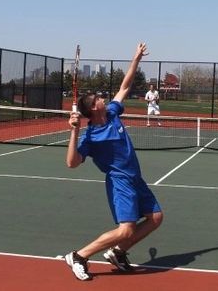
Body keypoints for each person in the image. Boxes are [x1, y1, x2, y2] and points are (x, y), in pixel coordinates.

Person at [64, 43, 163, 281]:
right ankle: (79, 255)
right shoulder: (89, 136)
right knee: (126, 229)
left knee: (156, 217)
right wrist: (74, 132)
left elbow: (125, 85)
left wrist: (136, 59)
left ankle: (118, 252)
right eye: (98, 98)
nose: (103, 99)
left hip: (135, 178)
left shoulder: (111, 112)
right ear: (92, 108)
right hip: (120, 182)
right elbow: (72, 163)